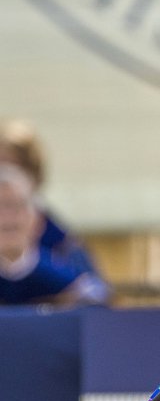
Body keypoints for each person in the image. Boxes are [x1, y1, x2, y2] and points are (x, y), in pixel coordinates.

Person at [0, 119, 110, 297]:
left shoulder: (58, 239)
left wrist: (26, 260)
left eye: (14, 168)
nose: (6, 178)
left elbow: (95, 295)